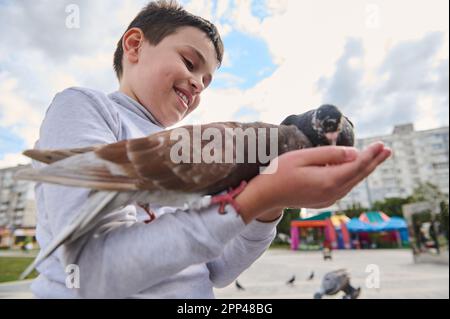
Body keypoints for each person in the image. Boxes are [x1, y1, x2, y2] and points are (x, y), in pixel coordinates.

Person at [30, 0, 391, 298]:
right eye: (190, 63)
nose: (197, 84)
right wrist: (248, 200)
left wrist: (269, 203)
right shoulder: (86, 107)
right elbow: (94, 272)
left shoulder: (200, 149)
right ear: (135, 45)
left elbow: (218, 269)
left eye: (207, 81)